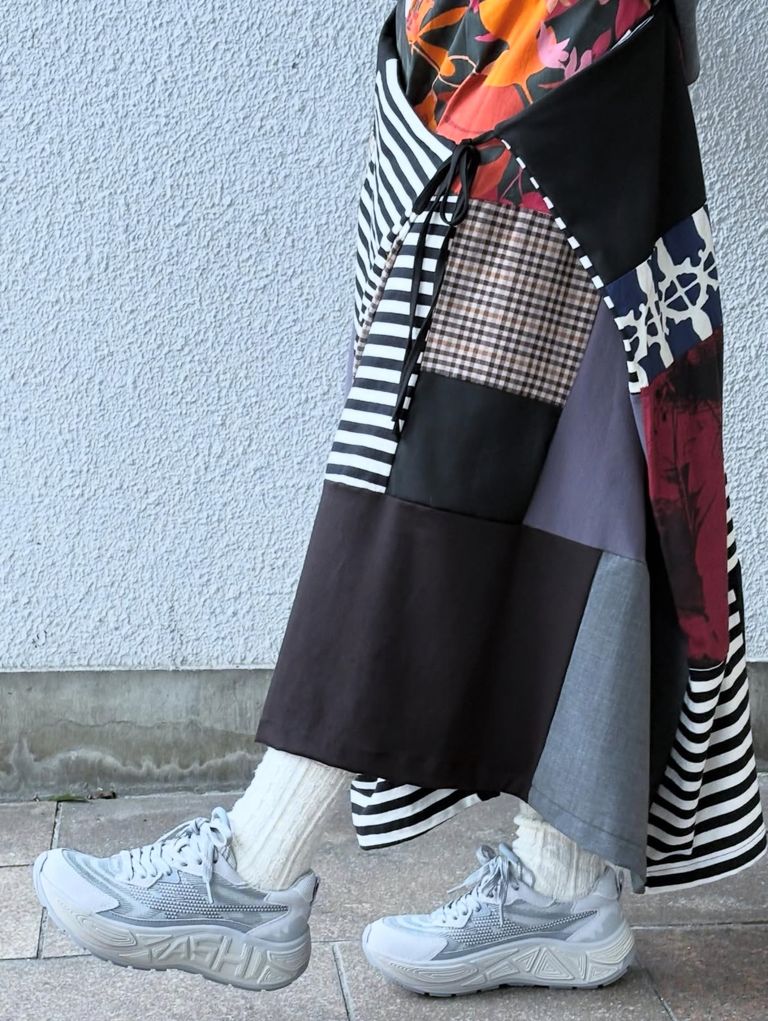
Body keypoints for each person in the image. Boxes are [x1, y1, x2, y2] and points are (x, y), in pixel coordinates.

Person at [32, 0, 766, 1000]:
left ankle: (253, 869)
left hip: (542, 69)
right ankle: (560, 890)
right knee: (587, 474)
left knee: (431, 475)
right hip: (519, 67)